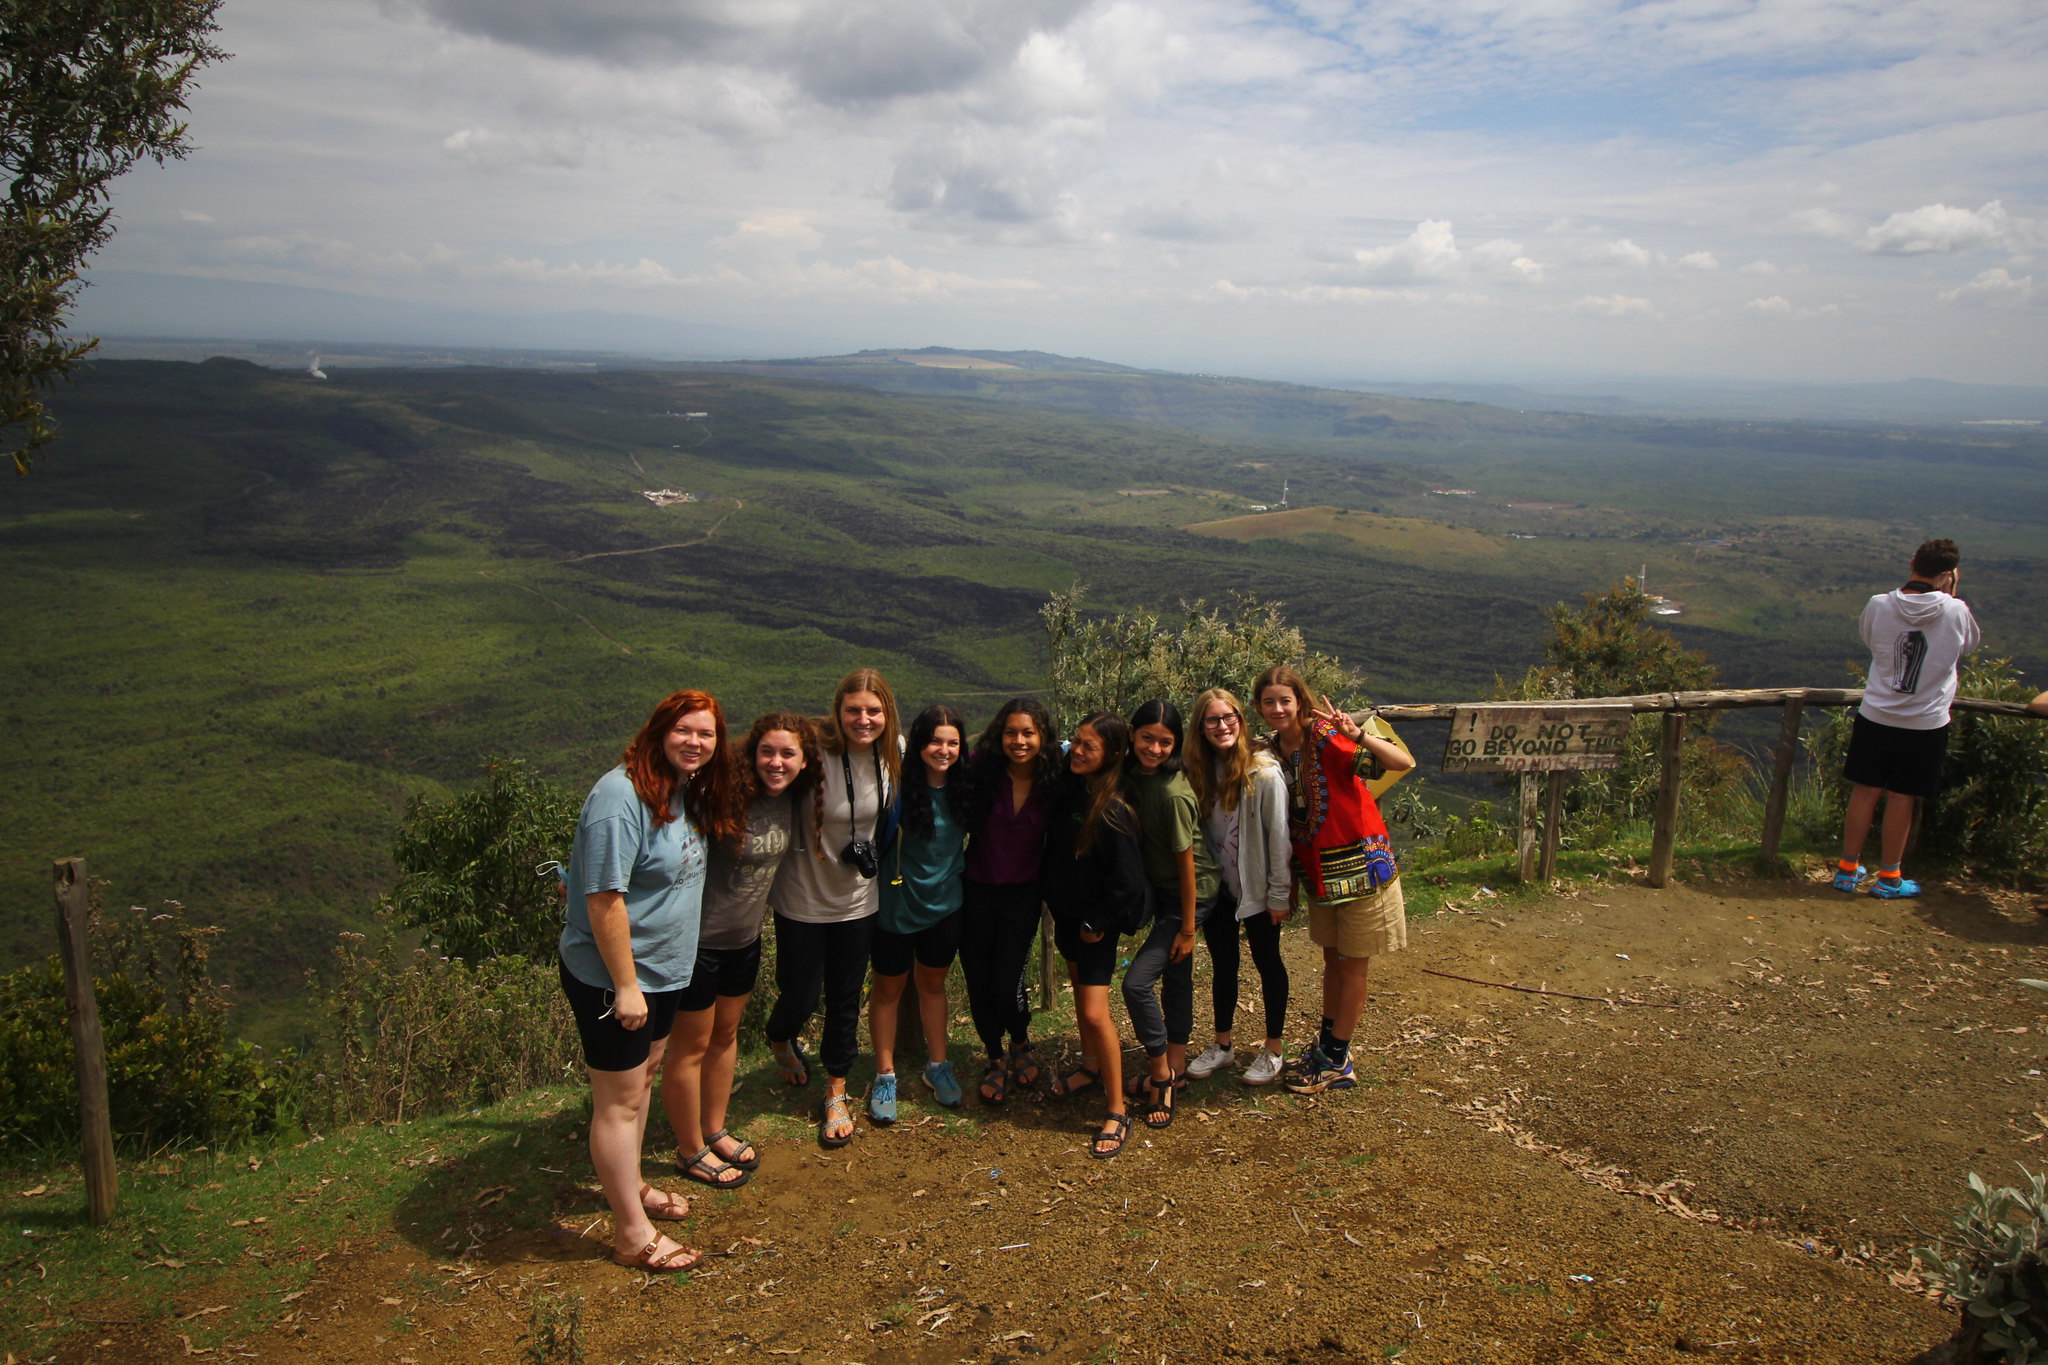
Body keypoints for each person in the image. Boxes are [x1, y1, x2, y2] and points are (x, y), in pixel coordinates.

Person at [557, 689, 743, 1271]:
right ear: (660, 730)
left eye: (706, 734)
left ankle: (631, 1187)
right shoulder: (621, 796)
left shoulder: (683, 789)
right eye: (685, 730)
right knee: (617, 1101)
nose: (695, 742)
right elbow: (605, 899)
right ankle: (632, 1235)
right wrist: (627, 985)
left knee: (641, 1084)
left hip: (665, 972)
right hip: (617, 978)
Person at [665, 711, 817, 1190]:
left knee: (725, 1036)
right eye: (766, 751)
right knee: (690, 1047)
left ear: (804, 761)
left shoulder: (796, 799)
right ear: (751, 755)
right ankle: (690, 1149)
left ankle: (715, 1129)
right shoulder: (722, 798)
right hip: (697, 943)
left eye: (787, 753)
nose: (776, 762)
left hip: (744, 940)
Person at [1253, 665, 1415, 1096]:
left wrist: (1356, 733)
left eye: (1285, 700)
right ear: (1258, 707)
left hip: (1362, 870)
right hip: (1321, 878)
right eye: (1268, 702)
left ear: (1300, 701)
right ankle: (1327, 1045)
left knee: (1352, 964)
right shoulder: (1274, 749)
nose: (1277, 708)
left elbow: (1401, 762)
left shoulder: (1324, 738)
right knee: (1332, 960)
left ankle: (1339, 1058)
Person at [765, 670, 901, 1147]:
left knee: (845, 997)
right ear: (837, 711)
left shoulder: (894, 753)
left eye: (873, 710)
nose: (864, 720)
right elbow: (765, 769)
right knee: (799, 996)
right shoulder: (813, 752)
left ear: (887, 713)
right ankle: (780, 1037)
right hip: (802, 896)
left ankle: (836, 1088)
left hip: (859, 900)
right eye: (853, 710)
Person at [1834, 539, 1979, 899]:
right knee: (1903, 797)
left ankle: (1847, 869)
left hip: (1877, 713)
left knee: (1864, 790)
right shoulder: (1956, 611)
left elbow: (1870, 639)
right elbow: (1968, 647)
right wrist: (1952, 595)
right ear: (1948, 575)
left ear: (1913, 562)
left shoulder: (1879, 605)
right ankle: (1889, 877)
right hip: (1925, 722)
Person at [1043, 712, 1149, 1157]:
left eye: (1089, 747)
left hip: (1093, 927)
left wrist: (1096, 923)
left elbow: (1128, 883)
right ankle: (1089, 1068)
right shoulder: (1074, 790)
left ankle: (1117, 1107)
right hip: (1068, 918)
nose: (1078, 751)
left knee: (1093, 1012)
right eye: (1076, 742)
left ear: (1111, 756)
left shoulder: (1112, 809)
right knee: (1079, 995)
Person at [1184, 686, 1293, 1086]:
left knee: (1268, 963)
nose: (1222, 726)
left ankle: (1273, 1048)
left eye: (1229, 717)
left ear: (1241, 721)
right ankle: (1223, 1044)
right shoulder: (1198, 770)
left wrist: (1279, 894)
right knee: (1223, 964)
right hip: (1219, 888)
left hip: (1258, 888)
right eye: (1212, 720)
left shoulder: (1263, 773)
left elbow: (1279, 837)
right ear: (1201, 727)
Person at [1119, 698, 1219, 1131]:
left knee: (1136, 983)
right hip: (1164, 892)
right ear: (1131, 734)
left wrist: (1189, 926)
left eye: (1165, 742)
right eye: (1147, 738)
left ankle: (1160, 1073)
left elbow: (1187, 864)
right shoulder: (1132, 776)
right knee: (1177, 976)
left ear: (1176, 744)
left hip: (1190, 896)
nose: (1155, 749)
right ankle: (1175, 1065)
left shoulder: (1174, 793)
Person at [869, 704, 971, 1119]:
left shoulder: (965, 789)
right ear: (919, 744)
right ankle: (884, 1075)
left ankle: (937, 1067)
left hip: (946, 906)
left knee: (933, 986)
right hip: (895, 908)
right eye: (935, 741)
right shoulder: (895, 790)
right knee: (888, 990)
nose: (943, 750)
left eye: (952, 743)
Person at [957, 697, 1060, 1105]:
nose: (1019, 741)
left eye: (1028, 733)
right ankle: (995, 1056)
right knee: (978, 979)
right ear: (999, 735)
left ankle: (1020, 1038)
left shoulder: (1055, 780)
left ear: (1042, 737)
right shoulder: (982, 773)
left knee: (1006, 982)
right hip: (975, 890)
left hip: (1022, 895)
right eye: (1011, 732)